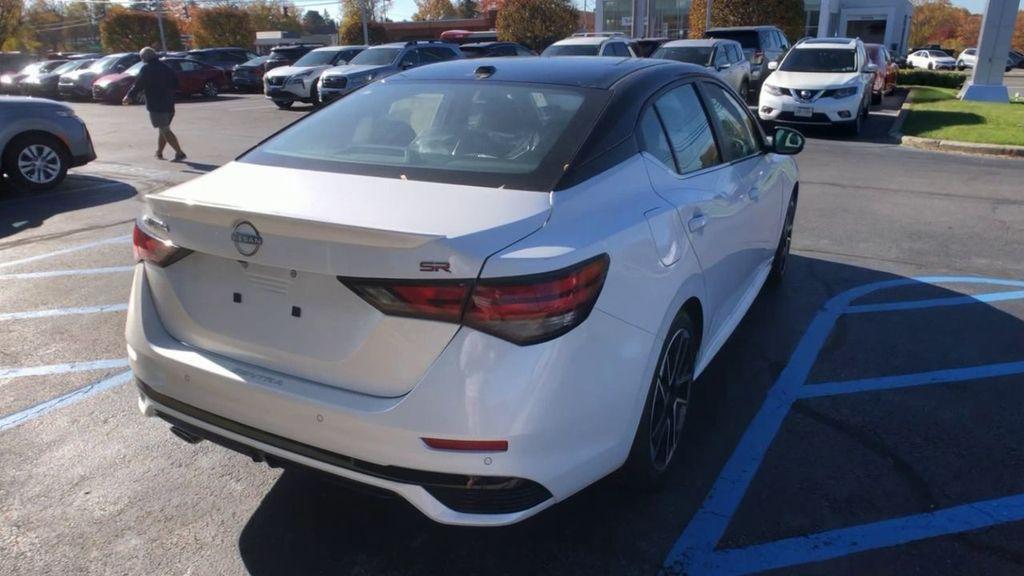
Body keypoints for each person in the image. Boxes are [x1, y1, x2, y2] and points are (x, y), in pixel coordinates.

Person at [124, 47, 186, 161]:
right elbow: (176, 83)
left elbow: (138, 84)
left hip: (156, 105)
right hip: (169, 104)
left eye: (141, 57)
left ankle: (179, 153)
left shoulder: (147, 69)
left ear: (144, 58)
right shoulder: (166, 67)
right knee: (163, 129)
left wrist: (129, 96)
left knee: (165, 130)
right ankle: (159, 152)